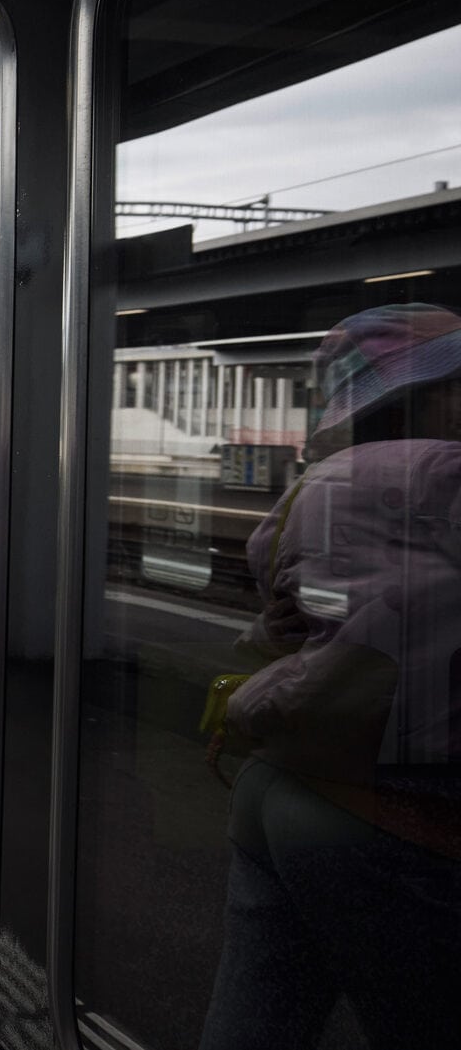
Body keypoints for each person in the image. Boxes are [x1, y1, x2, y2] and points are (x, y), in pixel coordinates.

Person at [200, 303, 461, 1049]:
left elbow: (279, 606)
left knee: (257, 1023)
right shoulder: (448, 471)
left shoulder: (305, 492)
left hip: (281, 784)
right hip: (401, 810)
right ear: (435, 393)